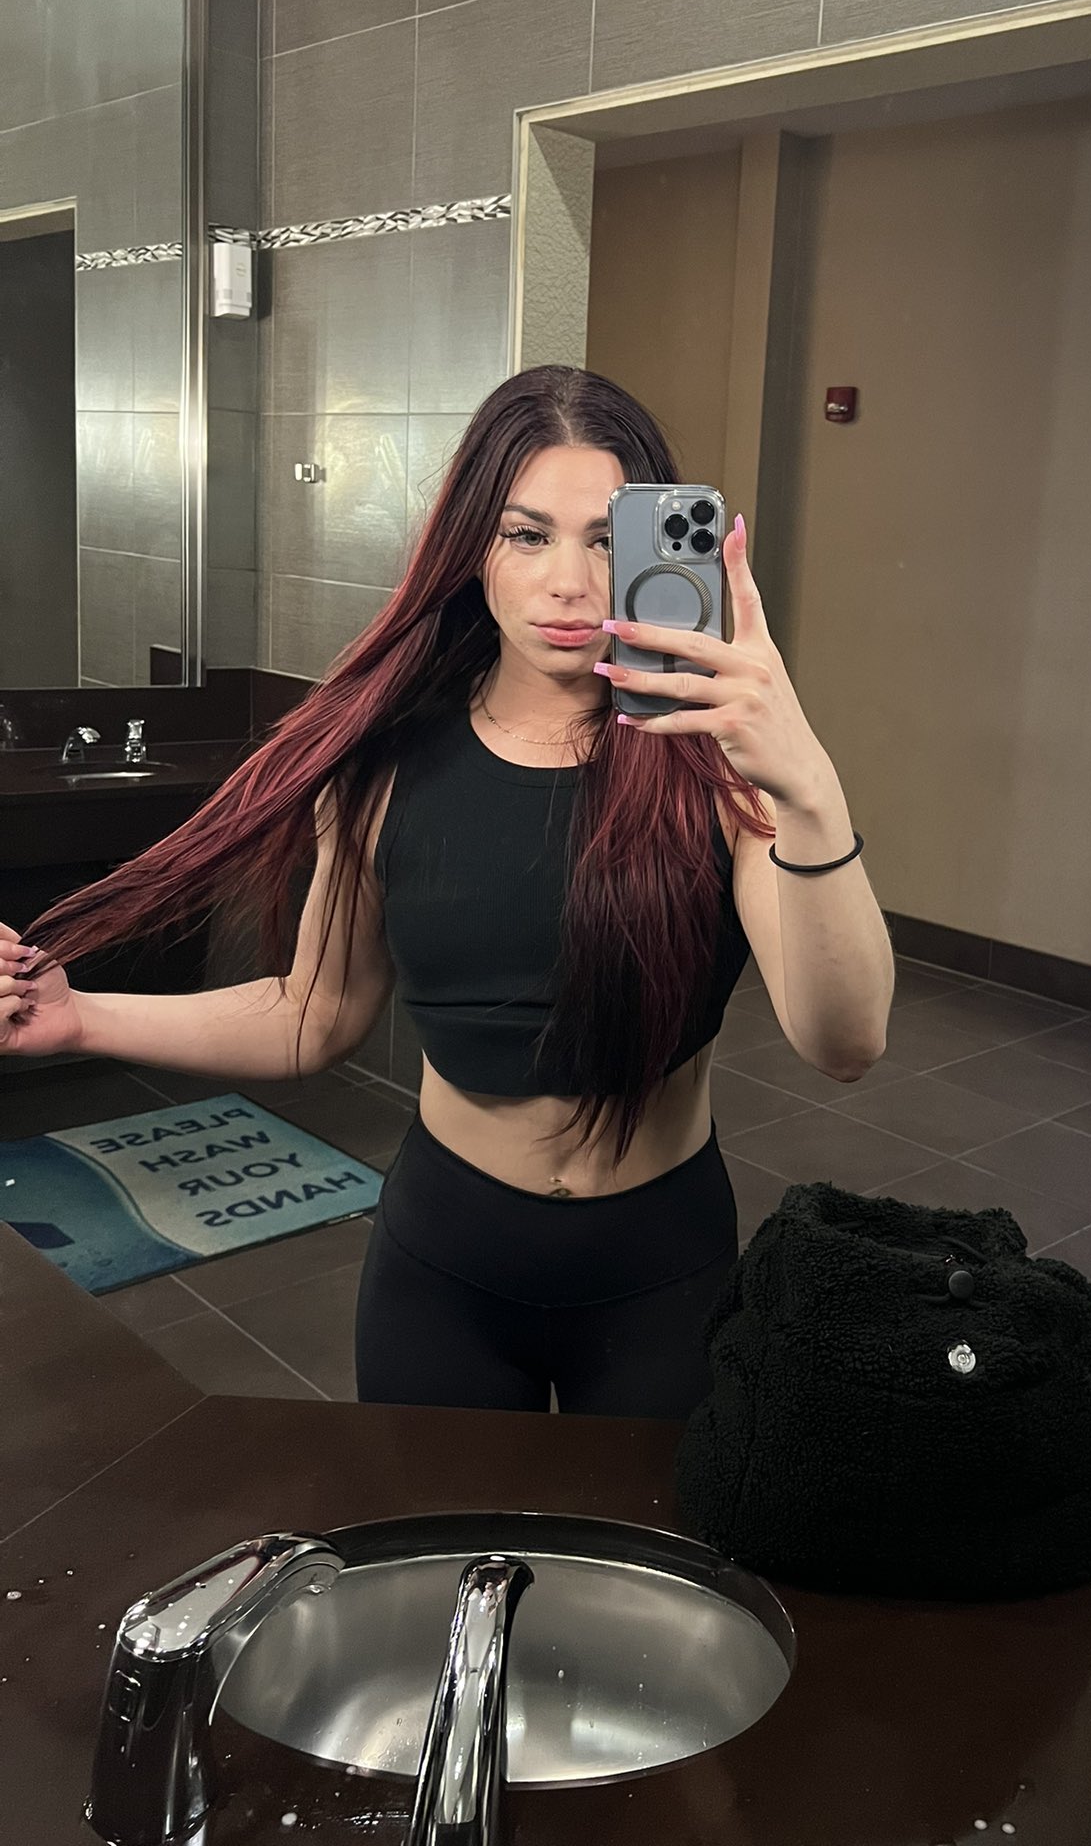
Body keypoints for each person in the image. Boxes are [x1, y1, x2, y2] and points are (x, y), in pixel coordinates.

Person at [0, 367, 893, 1420]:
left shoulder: (717, 769)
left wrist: (808, 788)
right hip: (446, 1269)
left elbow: (845, 1043)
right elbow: (312, 1013)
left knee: (651, 1531)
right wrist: (79, 1016)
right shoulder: (384, 770)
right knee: (435, 1526)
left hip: (664, 1264)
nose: (570, 583)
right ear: (474, 547)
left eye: (608, 540)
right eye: (528, 534)